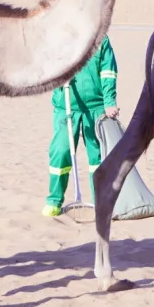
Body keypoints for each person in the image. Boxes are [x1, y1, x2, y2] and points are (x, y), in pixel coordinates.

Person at [44, 35, 118, 216]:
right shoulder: (59, 37)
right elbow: (46, 65)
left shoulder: (101, 39)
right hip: (66, 106)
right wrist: (59, 77)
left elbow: (108, 71)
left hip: (96, 107)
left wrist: (109, 101)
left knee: (98, 156)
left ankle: (100, 201)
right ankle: (54, 200)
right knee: (61, 151)